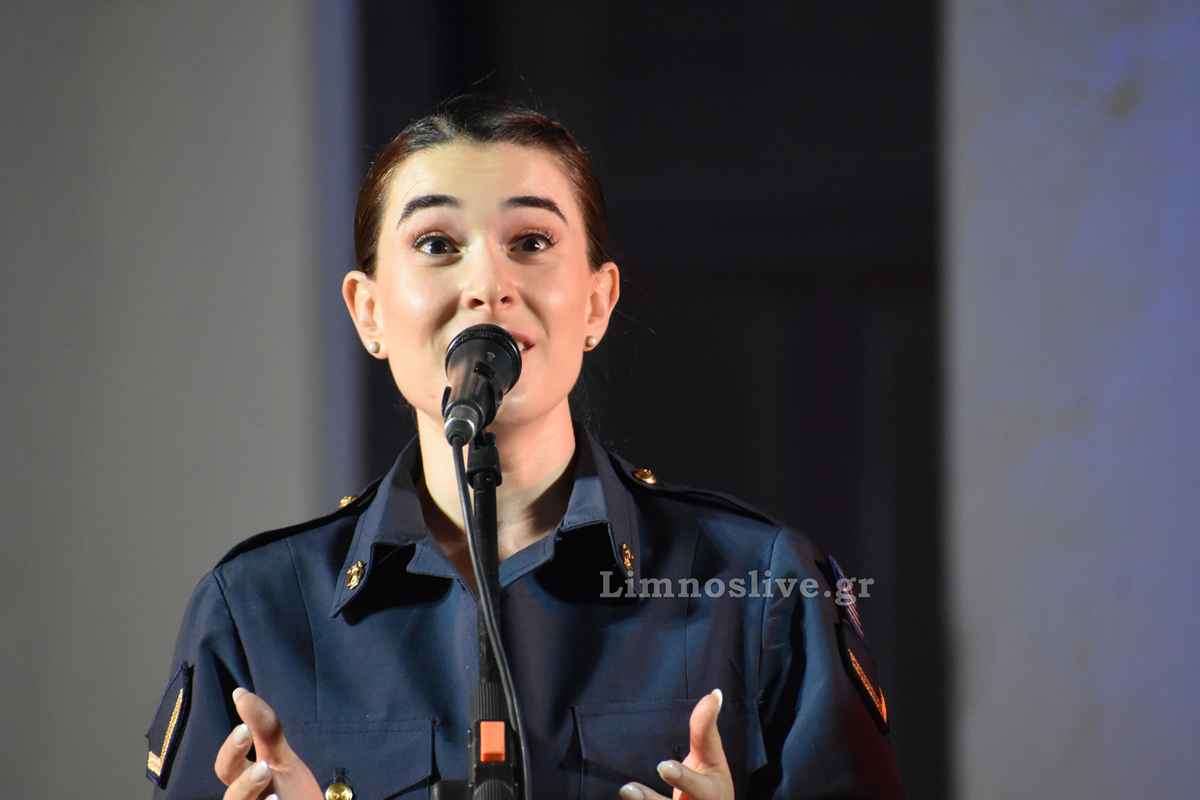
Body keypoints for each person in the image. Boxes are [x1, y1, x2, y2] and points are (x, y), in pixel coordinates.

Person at [144, 95, 903, 800]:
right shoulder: (256, 611)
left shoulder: (760, 588)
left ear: (598, 303)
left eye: (531, 241)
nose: (488, 283)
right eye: (437, 244)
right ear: (367, 311)